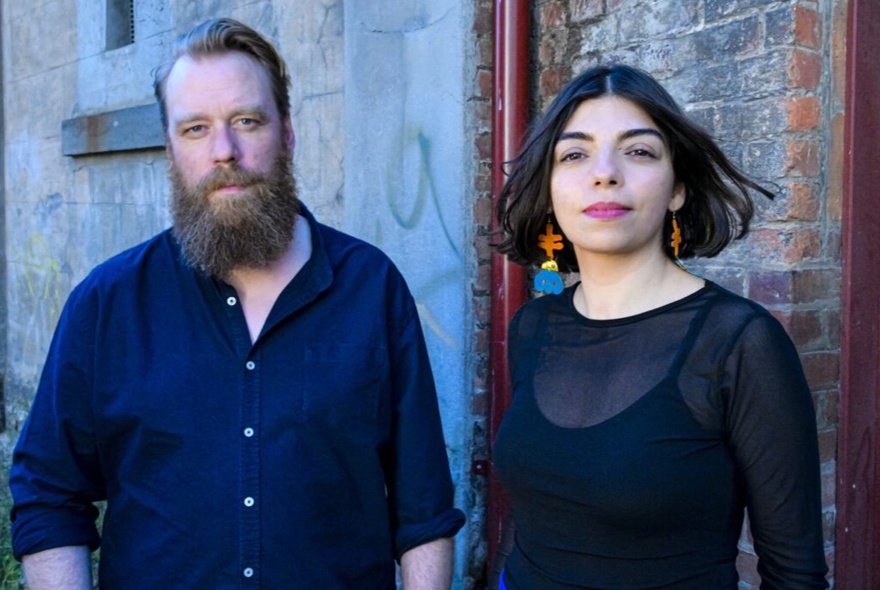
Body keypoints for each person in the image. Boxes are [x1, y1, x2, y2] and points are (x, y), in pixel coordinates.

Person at [9, 18, 464, 589]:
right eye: (195, 128)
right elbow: (49, 496)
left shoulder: (371, 289)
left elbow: (423, 510)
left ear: (288, 131)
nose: (224, 151)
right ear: (170, 147)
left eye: (246, 121)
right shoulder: (107, 304)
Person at [490, 64, 828, 589]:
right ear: (550, 188)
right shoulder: (533, 326)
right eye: (574, 154)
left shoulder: (738, 342)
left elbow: (794, 574)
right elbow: (530, 517)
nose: (604, 172)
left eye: (639, 151)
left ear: (677, 190)